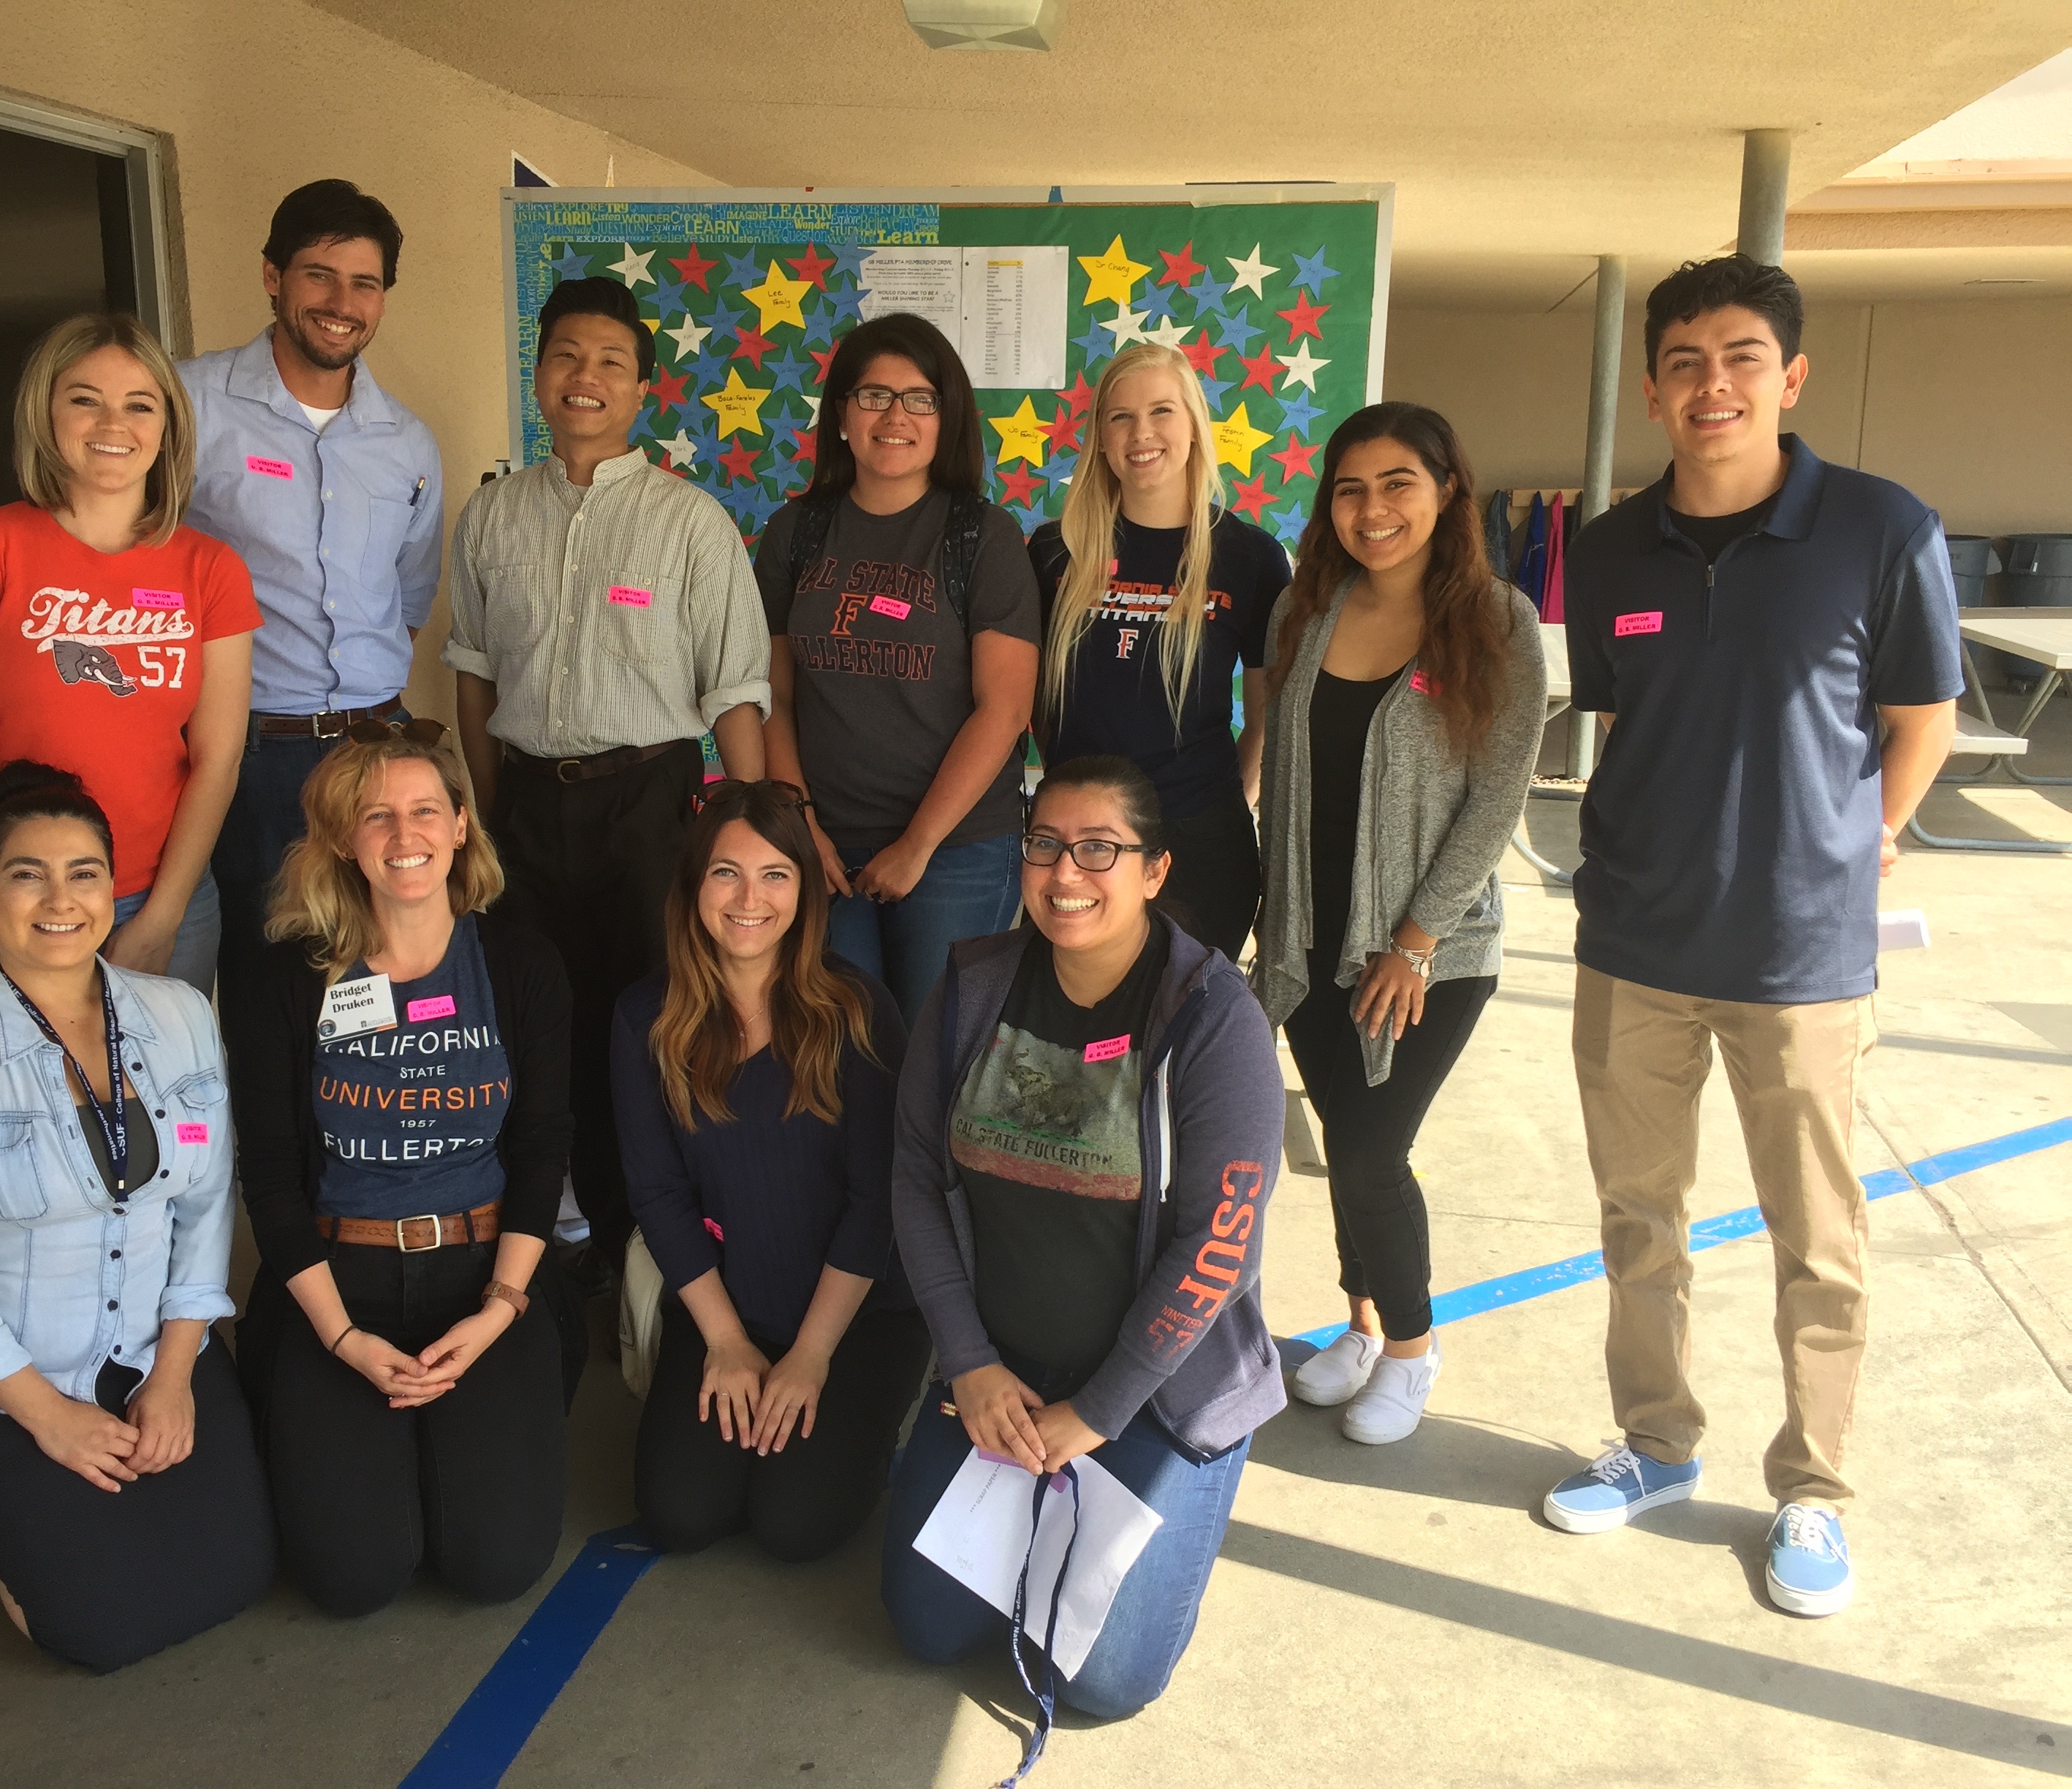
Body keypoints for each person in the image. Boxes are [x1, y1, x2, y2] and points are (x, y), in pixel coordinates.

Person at [1547, 255, 1961, 1618]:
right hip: (1632, 948)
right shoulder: (1604, 550)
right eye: (1681, 361)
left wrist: (1862, 839)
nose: (1707, 383)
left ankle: (1811, 1492)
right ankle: (1657, 1442)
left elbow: (1919, 721)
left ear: (1784, 379)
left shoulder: (1879, 526)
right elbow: (1618, 713)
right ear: (1653, 389)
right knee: (1636, 1221)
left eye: (1736, 357)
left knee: (1816, 1239)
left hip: (1800, 960)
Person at [882, 756, 1288, 1743]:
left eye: (1100, 849)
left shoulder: (1211, 1018)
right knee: (926, 1628)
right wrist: (970, 1364)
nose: (1068, 873)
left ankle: (1169, 1506)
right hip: (1000, 1375)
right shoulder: (974, 988)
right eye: (1045, 846)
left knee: (1102, 1682)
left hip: (1152, 1392)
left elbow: (1219, 1246)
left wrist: (1098, 1413)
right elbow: (915, 1180)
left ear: (1154, 870)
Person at [0, 762, 273, 1672]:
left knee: (242, 1575)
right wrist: (47, 1415)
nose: (60, 898)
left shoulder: (178, 1017)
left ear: (112, 888)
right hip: (9, 1386)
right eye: (27, 873)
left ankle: (77, 1512)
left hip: (152, 1360)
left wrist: (176, 1376)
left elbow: (206, 1203)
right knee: (103, 1627)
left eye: (84, 872)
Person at [445, 275, 770, 1279]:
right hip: (529, 804)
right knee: (540, 1023)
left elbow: (736, 693)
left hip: (648, 804)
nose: (584, 379)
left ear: (642, 394)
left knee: (657, 1019)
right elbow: (473, 674)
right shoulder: (494, 516)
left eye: (611, 364)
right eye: (566, 358)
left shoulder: (689, 523)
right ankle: (559, 1232)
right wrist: (490, 815)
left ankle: (660, 1241)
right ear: (539, 376)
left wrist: (760, 835)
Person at [228, 720, 572, 1615]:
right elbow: (267, 1176)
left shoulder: (520, 964)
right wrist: (343, 1338)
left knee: (496, 1567)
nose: (404, 835)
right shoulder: (287, 980)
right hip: (341, 1282)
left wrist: (501, 1309)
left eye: (425, 811)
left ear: (462, 826)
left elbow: (540, 1147)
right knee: (354, 1577)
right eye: (376, 816)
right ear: (345, 838)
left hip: (482, 1274)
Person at [1253, 402, 1548, 1444]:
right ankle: (1364, 1324)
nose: (1372, 510)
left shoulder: (1497, 621)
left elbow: (1499, 797)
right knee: (1342, 1141)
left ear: (1447, 492)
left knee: (1375, 1151)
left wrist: (1416, 940)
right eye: (1350, 489)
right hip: (1308, 935)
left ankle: (1415, 1355)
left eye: (1397, 486)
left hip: (1429, 951)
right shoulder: (1310, 610)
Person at [610, 780, 928, 1562]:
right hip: (730, 1306)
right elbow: (657, 1193)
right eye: (726, 873)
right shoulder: (645, 1018)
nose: (749, 898)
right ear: (692, 887)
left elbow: (873, 1203)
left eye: (775, 875)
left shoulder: (857, 1009)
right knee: (680, 1514)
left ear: (805, 890)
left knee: (796, 1524)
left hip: (855, 1315)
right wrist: (723, 1341)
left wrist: (812, 1357)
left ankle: (866, 1402)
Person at [0, 312, 258, 995]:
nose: (113, 424)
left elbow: (217, 758)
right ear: (47, 414)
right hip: (5, 893)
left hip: (159, 892)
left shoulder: (210, 569)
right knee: (13, 1100)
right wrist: (28, 887)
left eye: (139, 405)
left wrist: (162, 917)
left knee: (153, 1098)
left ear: (167, 428)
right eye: (84, 400)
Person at [178, 181, 445, 1030]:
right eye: (319, 276)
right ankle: (273, 1164)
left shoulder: (406, 441)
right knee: (262, 984)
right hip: (247, 756)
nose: (341, 304)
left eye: (364, 284)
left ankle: (354, 1156)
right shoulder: (190, 406)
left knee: (372, 987)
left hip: (376, 751)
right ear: (272, 276)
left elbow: (404, 600)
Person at [758, 312, 1041, 1026]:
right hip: (825, 846)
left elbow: (1003, 711)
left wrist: (918, 845)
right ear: (842, 415)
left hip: (958, 851)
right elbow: (773, 698)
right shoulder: (797, 532)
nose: (895, 415)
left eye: (920, 398)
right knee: (837, 1048)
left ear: (948, 418)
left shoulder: (983, 536)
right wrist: (800, 825)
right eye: (873, 395)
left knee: (937, 1055)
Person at [1029, 342, 1291, 960]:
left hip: (1199, 845)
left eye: (1161, 411)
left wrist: (1223, 806)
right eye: (1120, 417)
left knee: (1184, 1040)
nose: (1141, 433)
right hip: (1076, 845)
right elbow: (1029, 700)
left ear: (1194, 426)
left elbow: (1264, 719)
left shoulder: (1249, 557)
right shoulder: (1051, 551)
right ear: (1099, 437)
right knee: (1084, 1042)